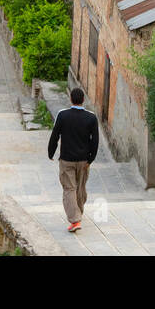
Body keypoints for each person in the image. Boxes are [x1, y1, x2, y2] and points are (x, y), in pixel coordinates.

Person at [46, 86, 99, 232]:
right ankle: (78, 213)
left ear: (71, 99)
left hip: (67, 160)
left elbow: (55, 135)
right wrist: (90, 160)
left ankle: (75, 220)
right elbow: (95, 141)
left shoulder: (63, 115)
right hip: (83, 160)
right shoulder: (91, 118)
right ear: (83, 100)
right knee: (80, 187)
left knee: (69, 188)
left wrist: (51, 152)